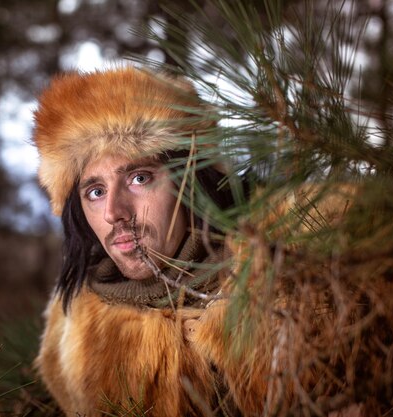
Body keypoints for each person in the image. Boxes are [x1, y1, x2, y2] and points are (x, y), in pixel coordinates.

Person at [32, 67, 266, 417]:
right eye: (95, 192)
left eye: (139, 178)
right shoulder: (74, 331)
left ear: (191, 180)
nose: (113, 212)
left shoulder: (282, 281)